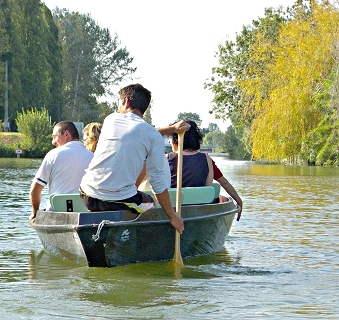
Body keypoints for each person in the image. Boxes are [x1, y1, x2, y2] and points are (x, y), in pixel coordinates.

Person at [79, 83, 188, 233]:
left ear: (126, 102)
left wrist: (172, 129)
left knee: (120, 197)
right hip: (117, 200)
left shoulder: (110, 120)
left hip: (86, 193)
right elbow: (157, 182)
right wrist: (173, 216)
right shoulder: (152, 136)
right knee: (149, 204)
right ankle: (139, 242)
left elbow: (137, 131)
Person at [29, 121, 94, 221]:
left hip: (56, 216)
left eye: (55, 136)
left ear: (66, 134)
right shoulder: (92, 157)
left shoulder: (53, 155)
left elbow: (35, 191)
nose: (53, 142)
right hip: (84, 216)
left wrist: (35, 214)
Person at [167, 120, 214, 188]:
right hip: (200, 198)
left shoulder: (167, 158)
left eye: (170, 138)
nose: (169, 141)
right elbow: (207, 189)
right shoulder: (206, 159)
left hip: (173, 198)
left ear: (177, 138)